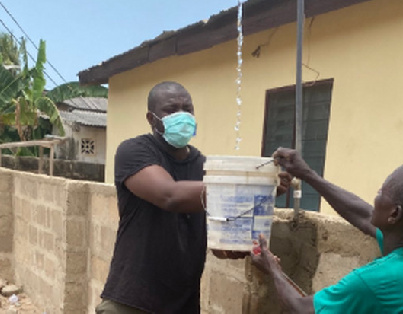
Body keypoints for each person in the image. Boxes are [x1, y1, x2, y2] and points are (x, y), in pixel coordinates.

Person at [96, 81, 291, 313]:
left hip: (183, 304)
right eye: (171, 109)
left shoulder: (205, 167)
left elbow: (219, 246)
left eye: (187, 109)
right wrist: (252, 186)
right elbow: (170, 195)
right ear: (151, 118)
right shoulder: (134, 151)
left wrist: (243, 243)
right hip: (132, 302)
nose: (182, 115)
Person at [251, 147, 403, 314]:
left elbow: (301, 309)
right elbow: (362, 214)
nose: (375, 197)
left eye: (381, 192)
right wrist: (307, 174)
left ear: (394, 214)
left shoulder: (372, 282)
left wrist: (273, 269)